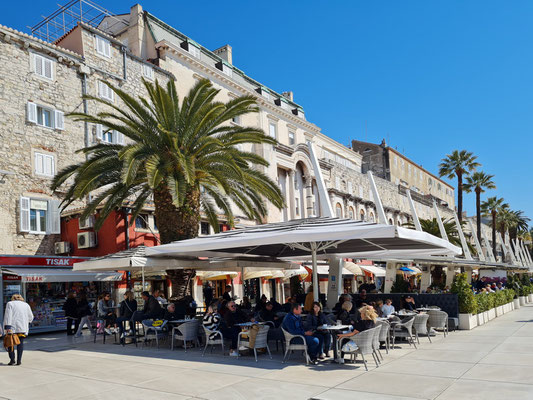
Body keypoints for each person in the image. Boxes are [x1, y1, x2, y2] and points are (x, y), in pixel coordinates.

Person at [2, 294, 34, 366]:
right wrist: (26, 322)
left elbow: (8, 315)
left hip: (12, 327)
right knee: (20, 343)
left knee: (10, 343)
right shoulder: (26, 305)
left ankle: (12, 360)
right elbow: (31, 317)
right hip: (22, 327)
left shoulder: (10, 304)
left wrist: (7, 327)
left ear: (13, 298)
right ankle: (19, 360)